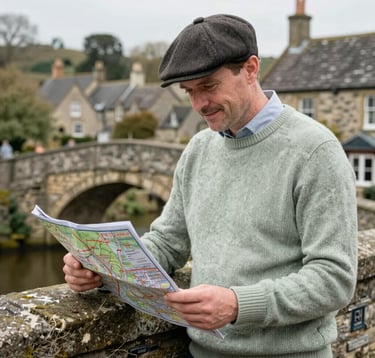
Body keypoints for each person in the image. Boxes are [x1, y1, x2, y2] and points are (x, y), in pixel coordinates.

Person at [63, 14, 358, 357]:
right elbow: (167, 244)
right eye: (189, 91)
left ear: (250, 69)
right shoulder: (198, 150)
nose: (199, 104)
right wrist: (102, 269)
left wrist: (237, 304)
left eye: (209, 86)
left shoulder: (315, 151)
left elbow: (334, 279)